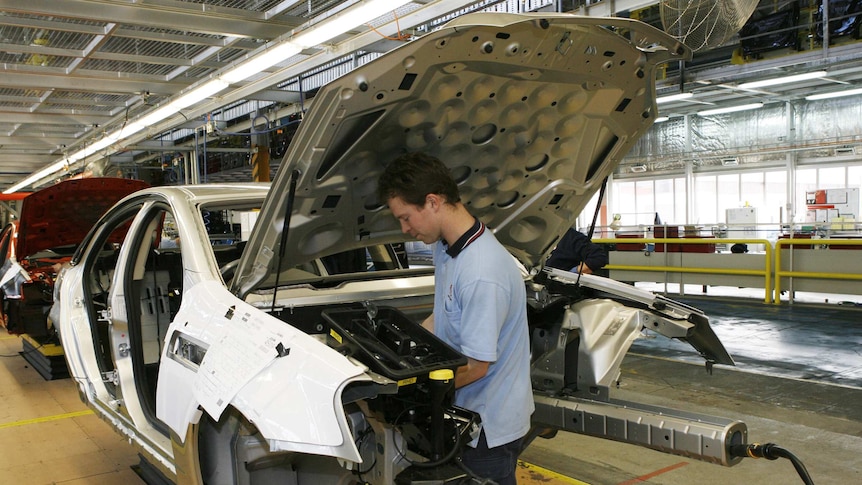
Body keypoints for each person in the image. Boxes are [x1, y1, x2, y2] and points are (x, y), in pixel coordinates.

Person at [377, 152, 533, 485]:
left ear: (432, 202)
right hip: (467, 414)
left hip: (488, 428)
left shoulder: (481, 271)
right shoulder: (447, 247)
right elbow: (444, 314)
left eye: (406, 217)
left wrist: (413, 390)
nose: (405, 229)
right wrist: (401, 352)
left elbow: (477, 366)